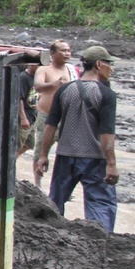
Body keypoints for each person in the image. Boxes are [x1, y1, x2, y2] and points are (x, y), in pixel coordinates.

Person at [33, 46, 120, 233]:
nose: (111, 68)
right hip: (95, 158)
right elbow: (107, 134)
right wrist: (111, 163)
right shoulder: (107, 95)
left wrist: (43, 155)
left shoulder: (65, 90)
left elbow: (50, 125)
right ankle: (99, 243)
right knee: (101, 204)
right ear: (98, 64)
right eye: (108, 64)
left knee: (55, 203)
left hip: (65, 156)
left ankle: (50, 236)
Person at [32, 40, 77, 183]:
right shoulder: (44, 69)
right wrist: (54, 84)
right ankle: (37, 183)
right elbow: (38, 86)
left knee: (67, 152)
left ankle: (63, 183)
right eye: (63, 51)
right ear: (52, 53)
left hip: (67, 117)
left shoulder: (72, 70)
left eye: (68, 51)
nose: (67, 53)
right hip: (46, 116)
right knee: (40, 150)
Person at [15, 64, 36, 158]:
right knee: (17, 145)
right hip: (25, 116)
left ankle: (14, 158)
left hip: (33, 116)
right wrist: (23, 118)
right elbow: (19, 99)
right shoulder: (24, 77)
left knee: (30, 143)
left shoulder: (38, 77)